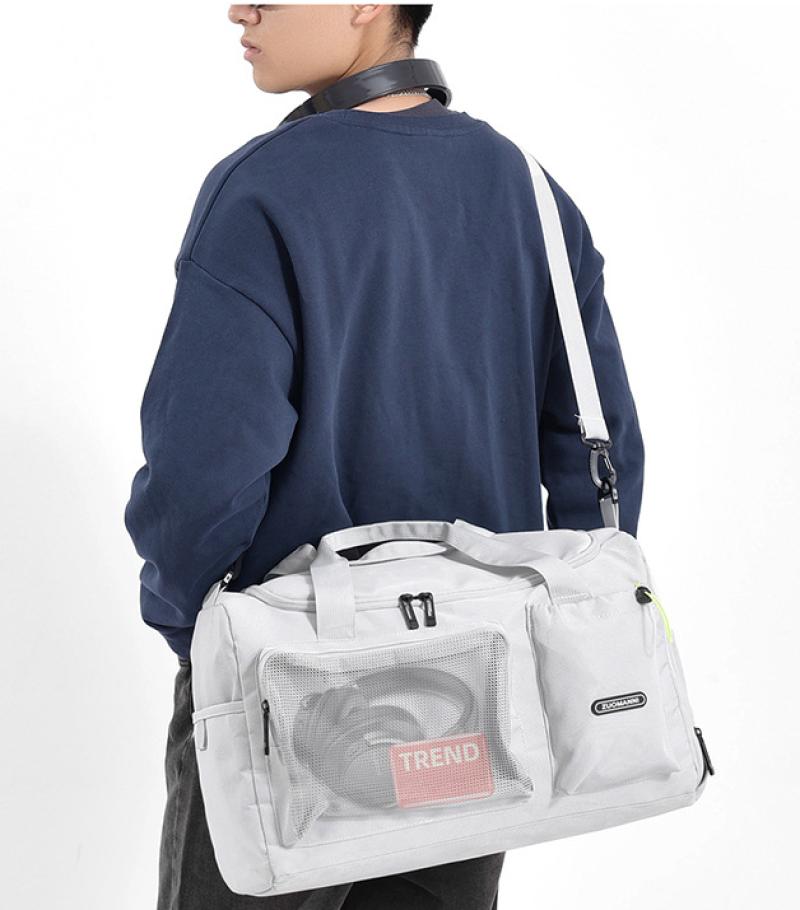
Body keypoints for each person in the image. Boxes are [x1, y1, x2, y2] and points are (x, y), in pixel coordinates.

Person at [123, 4, 645, 908]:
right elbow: (601, 450)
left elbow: (202, 470)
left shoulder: (263, 189)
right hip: (478, 678)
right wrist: (564, 618)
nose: (240, 8)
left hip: (287, 681)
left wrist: (196, 632)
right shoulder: (527, 187)